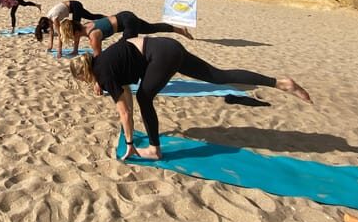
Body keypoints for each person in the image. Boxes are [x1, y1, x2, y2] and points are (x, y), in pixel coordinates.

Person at [69, 36, 312, 160]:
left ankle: (154, 149)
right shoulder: (102, 64)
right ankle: (279, 83)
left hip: (160, 56)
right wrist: (106, 87)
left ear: (84, 73)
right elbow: (122, 90)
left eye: (82, 80)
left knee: (144, 98)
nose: (85, 84)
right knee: (217, 76)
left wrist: (131, 144)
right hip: (165, 46)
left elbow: (125, 110)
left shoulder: (104, 74)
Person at [60, 10, 193, 56]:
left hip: (127, 22)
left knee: (125, 48)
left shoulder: (93, 36)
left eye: (70, 37)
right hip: (125, 16)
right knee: (151, 28)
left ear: (75, 33)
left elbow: (99, 57)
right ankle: (180, 30)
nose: (72, 39)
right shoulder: (86, 25)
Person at [35, 0, 105, 58]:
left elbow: (60, 35)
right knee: (91, 16)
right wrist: (50, 46)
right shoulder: (47, 18)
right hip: (74, 6)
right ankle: (106, 18)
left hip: (75, 6)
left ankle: (75, 51)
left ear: (48, 22)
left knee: (76, 30)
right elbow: (51, 32)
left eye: (49, 25)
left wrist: (59, 51)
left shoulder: (54, 18)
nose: (51, 26)